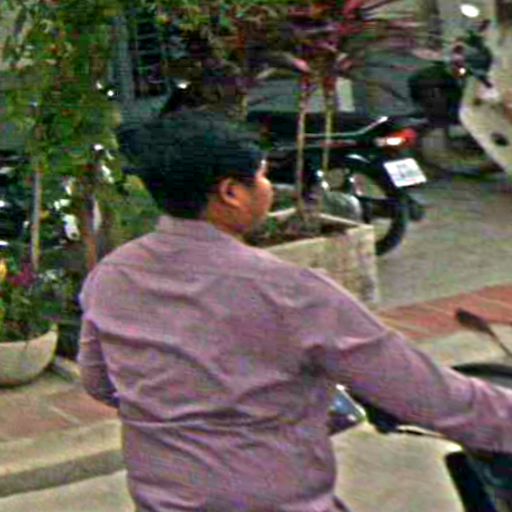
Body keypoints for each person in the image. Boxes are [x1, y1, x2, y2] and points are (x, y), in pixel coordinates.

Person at [79, 111, 512, 512]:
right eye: (262, 176)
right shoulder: (290, 291)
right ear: (231, 193)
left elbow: (101, 383)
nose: (269, 187)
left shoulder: (113, 275)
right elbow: (427, 394)